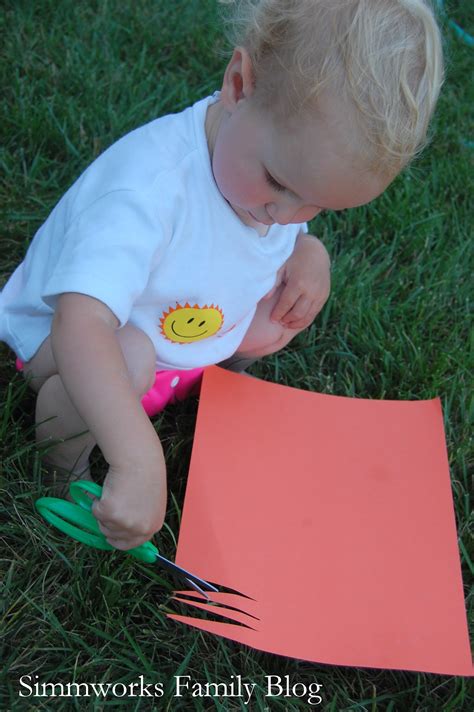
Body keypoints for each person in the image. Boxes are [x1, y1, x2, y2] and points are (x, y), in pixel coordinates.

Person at [0, 0, 443, 551]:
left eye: (320, 207)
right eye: (281, 184)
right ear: (238, 85)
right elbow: (78, 325)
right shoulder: (148, 190)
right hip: (69, 347)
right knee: (131, 352)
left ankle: (201, 383)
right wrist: (137, 455)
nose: (288, 215)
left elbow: (280, 231)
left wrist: (311, 255)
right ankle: (65, 468)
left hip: (175, 324)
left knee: (281, 312)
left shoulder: (260, 175)